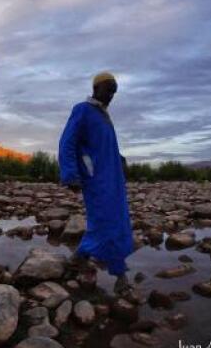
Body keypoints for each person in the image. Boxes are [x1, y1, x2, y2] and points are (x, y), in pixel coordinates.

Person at [58, 71, 134, 294]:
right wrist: (70, 174)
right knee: (104, 221)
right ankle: (120, 275)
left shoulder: (104, 116)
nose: (111, 95)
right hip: (95, 177)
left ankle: (79, 257)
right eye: (108, 89)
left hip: (113, 178)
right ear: (96, 88)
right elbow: (67, 142)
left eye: (114, 92)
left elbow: (104, 146)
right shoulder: (82, 110)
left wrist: (120, 159)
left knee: (117, 220)